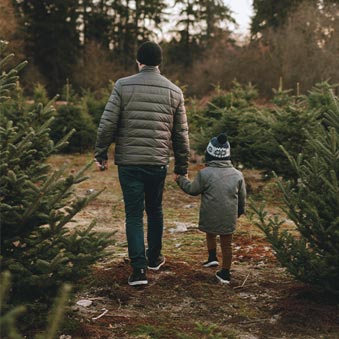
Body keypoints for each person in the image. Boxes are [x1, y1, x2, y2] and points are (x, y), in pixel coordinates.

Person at [95, 41, 190, 286]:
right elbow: (181, 134)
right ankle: (154, 258)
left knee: (134, 215)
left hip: (129, 163)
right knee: (155, 209)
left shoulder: (122, 86)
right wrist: (181, 167)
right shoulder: (174, 91)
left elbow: (107, 123)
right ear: (159, 62)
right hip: (157, 162)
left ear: (139, 61)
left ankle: (138, 271)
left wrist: (101, 153)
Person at [175, 133, 246, 284]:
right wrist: (238, 212)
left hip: (210, 214)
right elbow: (242, 198)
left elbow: (193, 190)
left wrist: (181, 179)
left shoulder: (205, 173)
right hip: (228, 215)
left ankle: (212, 257)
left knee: (210, 233)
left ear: (210, 154)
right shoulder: (238, 175)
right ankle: (225, 272)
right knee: (227, 244)